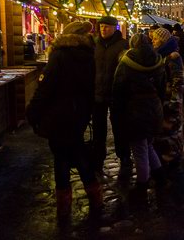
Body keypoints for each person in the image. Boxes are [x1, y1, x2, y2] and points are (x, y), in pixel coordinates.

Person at [26, 21, 102, 219]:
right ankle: (95, 196)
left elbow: (46, 87)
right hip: (79, 115)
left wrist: (32, 112)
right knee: (77, 152)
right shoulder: (88, 56)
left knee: (62, 158)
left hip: (58, 115)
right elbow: (90, 88)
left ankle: (64, 206)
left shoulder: (59, 56)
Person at [112, 34, 164, 196]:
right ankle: (159, 174)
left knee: (139, 148)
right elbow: (162, 87)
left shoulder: (126, 62)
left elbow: (118, 88)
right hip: (154, 107)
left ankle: (142, 183)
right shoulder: (158, 60)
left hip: (134, 109)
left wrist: (117, 112)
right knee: (147, 143)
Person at [93, 15, 130, 175]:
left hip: (116, 94)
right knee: (98, 128)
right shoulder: (94, 44)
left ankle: (124, 156)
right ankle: (98, 157)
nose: (103, 29)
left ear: (114, 28)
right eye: (101, 27)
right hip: (98, 93)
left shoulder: (123, 45)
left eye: (106, 27)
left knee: (120, 126)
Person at [151, 28, 184, 168]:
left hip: (170, 100)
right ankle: (165, 157)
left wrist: (174, 102)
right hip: (162, 99)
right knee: (164, 131)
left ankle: (172, 158)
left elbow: (178, 81)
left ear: (163, 40)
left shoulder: (173, 57)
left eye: (155, 38)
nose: (153, 41)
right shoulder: (160, 55)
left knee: (171, 130)